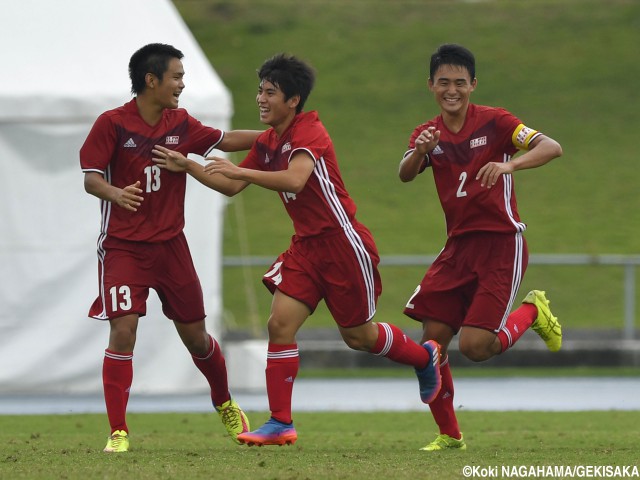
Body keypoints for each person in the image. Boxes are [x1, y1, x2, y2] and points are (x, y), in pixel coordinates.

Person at [152, 53, 441, 447]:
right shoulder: (271, 140)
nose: (261, 98)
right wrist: (188, 166)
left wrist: (239, 169)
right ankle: (280, 421)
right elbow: (232, 187)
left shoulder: (310, 132)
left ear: (293, 100)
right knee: (279, 325)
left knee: (358, 336)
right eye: (259, 90)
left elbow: (296, 179)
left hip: (343, 245)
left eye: (270, 92)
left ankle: (425, 358)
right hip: (306, 248)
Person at [79, 43, 262, 453]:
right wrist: (115, 193)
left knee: (197, 338)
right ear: (151, 80)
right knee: (123, 331)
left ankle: (224, 402)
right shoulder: (111, 124)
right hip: (123, 248)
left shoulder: (180, 123)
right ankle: (118, 431)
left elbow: (227, 139)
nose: (182, 84)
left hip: (171, 247)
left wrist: (279, 135)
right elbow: (91, 179)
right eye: (176, 76)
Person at [398, 44, 563, 451]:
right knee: (431, 341)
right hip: (457, 247)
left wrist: (510, 163)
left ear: (472, 84)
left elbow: (551, 147)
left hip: (501, 244)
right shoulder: (428, 134)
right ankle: (449, 435)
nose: (451, 90)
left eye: (459, 82)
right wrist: (419, 151)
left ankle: (532, 311)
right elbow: (404, 174)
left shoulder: (497, 122)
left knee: (475, 347)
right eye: (443, 83)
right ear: (431, 86)